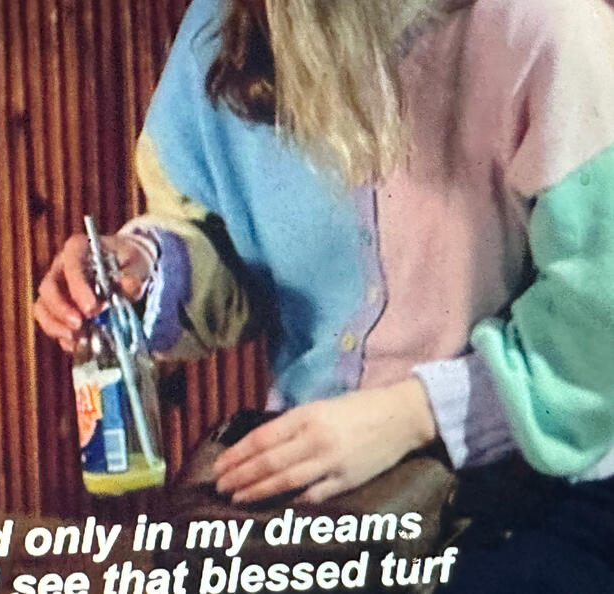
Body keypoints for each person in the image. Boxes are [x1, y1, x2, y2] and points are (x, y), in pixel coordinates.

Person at [34, 0, 614, 589]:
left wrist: (413, 415)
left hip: (547, 485)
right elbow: (223, 247)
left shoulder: (544, 23)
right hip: (326, 484)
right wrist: (142, 270)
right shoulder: (219, 25)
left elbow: (601, 332)